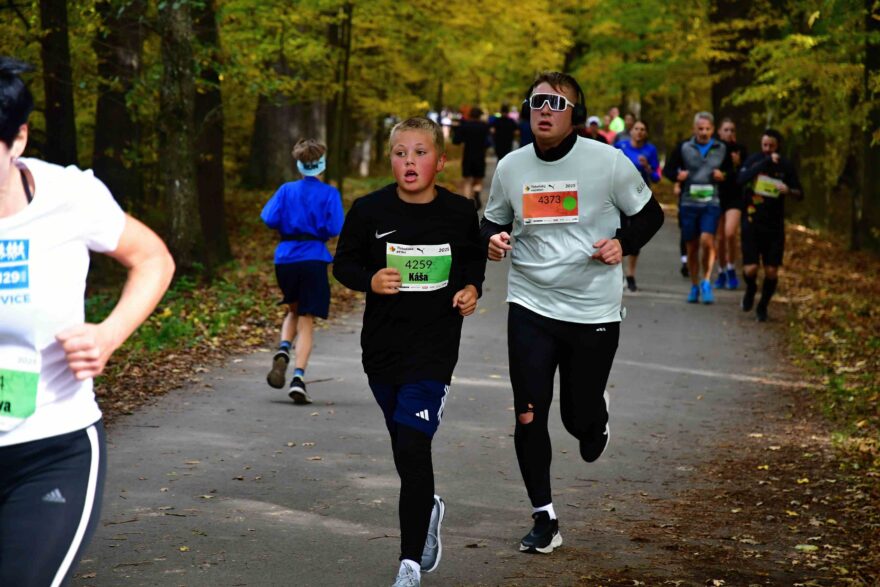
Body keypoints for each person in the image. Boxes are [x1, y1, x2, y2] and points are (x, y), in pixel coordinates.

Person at [0, 57, 175, 585]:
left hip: (50, 446)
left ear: (18, 139)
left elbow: (153, 258)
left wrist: (108, 335)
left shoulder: (70, 198)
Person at [481, 72, 663, 555]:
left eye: (557, 103)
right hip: (530, 304)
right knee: (528, 414)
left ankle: (594, 417)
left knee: (577, 419)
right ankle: (544, 517)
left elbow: (651, 215)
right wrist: (492, 240)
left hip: (591, 308)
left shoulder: (609, 162)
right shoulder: (511, 167)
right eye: (538, 101)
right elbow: (492, 220)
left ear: (576, 115)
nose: (546, 109)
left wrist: (623, 243)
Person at [333, 117, 486, 586]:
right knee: (404, 447)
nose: (410, 162)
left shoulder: (459, 212)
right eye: (400, 153)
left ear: (440, 161)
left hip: (434, 351)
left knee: (414, 446)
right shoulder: (369, 210)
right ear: (391, 160)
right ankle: (427, 506)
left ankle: (409, 563)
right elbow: (344, 264)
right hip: (382, 350)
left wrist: (471, 290)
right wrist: (371, 279)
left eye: (420, 153)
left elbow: (472, 260)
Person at [261, 139, 344, 404]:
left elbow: (269, 218)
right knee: (306, 319)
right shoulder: (330, 194)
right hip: (313, 258)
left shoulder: (286, 190)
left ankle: (284, 348)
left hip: (285, 258)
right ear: (322, 164)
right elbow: (335, 227)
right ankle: (298, 378)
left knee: (292, 308)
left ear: (299, 164)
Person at [663, 112, 731, 303]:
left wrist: (723, 175)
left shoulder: (721, 148)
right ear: (694, 129)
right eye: (700, 129)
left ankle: (706, 281)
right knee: (692, 246)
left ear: (712, 129)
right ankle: (694, 285)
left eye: (707, 129)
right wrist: (677, 176)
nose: (703, 132)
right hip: (688, 203)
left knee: (707, 240)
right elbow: (668, 170)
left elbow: (731, 172)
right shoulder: (684, 147)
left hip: (711, 203)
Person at [737, 128, 802, 321]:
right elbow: (740, 179)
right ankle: (751, 288)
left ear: (778, 146)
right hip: (751, 221)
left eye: (771, 146)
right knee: (750, 269)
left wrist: (788, 190)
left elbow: (800, 193)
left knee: (772, 270)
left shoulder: (786, 165)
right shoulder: (753, 160)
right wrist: (764, 163)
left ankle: (763, 306)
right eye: (764, 145)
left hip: (774, 225)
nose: (767, 148)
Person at [615, 120, 661, 292]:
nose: (639, 132)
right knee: (618, 233)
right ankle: (618, 274)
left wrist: (648, 167)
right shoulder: (620, 146)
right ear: (631, 131)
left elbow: (657, 177)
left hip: (639, 198)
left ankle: (631, 274)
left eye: (643, 129)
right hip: (619, 196)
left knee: (635, 235)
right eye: (636, 128)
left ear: (646, 133)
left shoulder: (651, 150)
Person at [713, 117, 748, 290]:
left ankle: (731, 268)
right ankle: (721, 271)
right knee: (719, 237)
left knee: (730, 233)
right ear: (719, 132)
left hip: (735, 196)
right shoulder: (713, 149)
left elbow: (745, 175)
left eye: (732, 130)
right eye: (726, 130)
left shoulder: (740, 150)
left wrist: (738, 164)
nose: (729, 133)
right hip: (717, 196)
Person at [452, 106, 490, 210]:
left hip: (468, 156)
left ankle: (468, 204)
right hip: (480, 156)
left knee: (467, 181)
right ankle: (477, 193)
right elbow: (488, 143)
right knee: (478, 179)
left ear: (470, 115)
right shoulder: (484, 126)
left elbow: (456, 141)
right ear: (480, 115)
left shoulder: (465, 126)